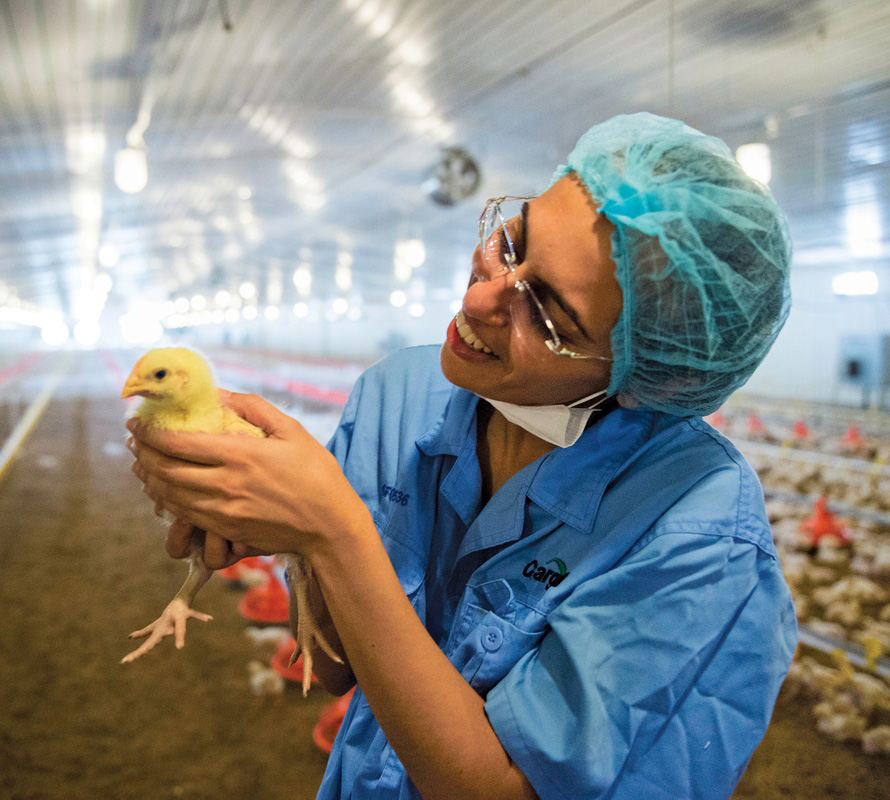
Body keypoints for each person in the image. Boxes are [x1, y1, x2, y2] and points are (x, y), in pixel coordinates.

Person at [128, 112, 797, 800]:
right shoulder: (401, 393)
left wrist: (333, 530)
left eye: (546, 316)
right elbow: (338, 672)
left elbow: (501, 788)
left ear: (650, 369)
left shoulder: (699, 534)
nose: (478, 298)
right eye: (512, 243)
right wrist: (280, 534)